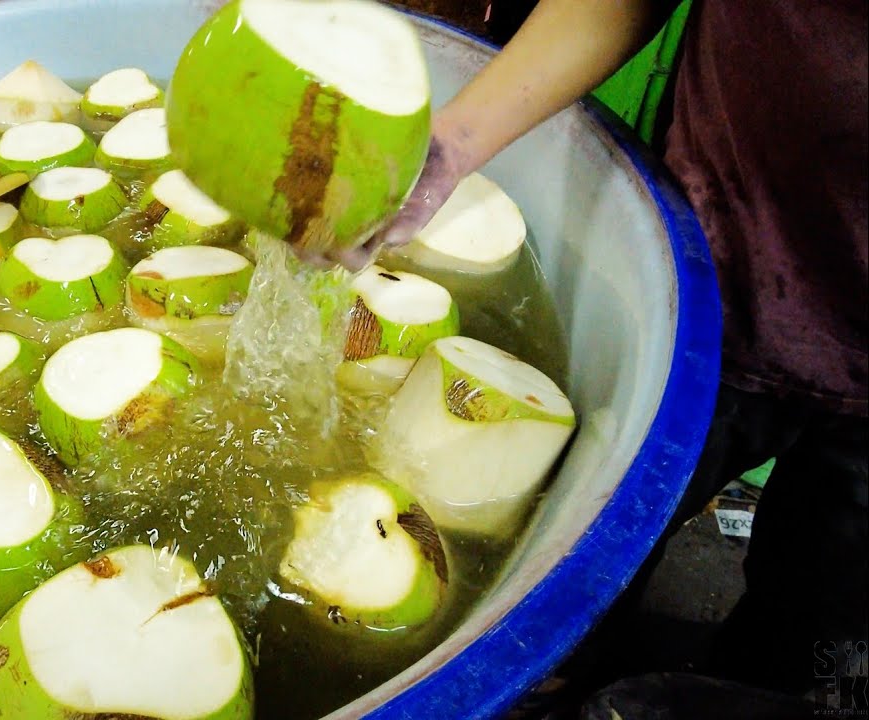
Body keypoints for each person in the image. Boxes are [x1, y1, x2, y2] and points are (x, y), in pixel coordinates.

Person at [349, 0, 868, 713]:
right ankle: (571, 678)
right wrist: (448, 147)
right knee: (592, 570)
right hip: (712, 261)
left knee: (821, 635)